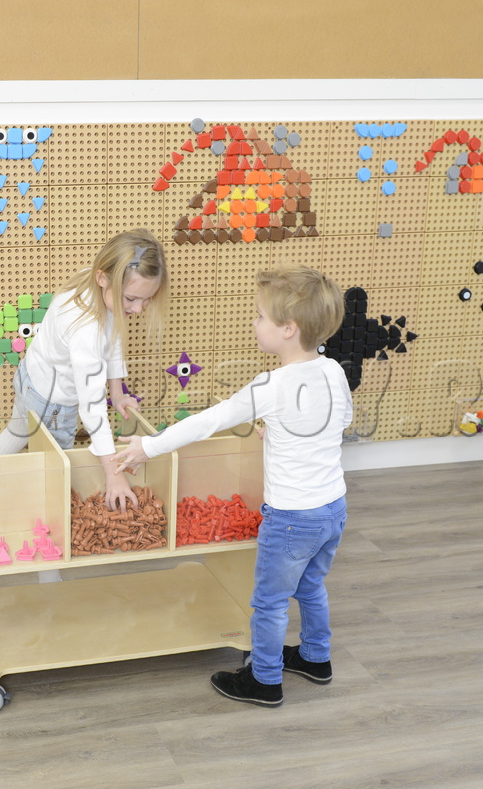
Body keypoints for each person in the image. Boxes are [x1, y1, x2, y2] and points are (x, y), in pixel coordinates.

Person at [115, 266, 350, 707]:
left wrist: (148, 446)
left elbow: (209, 421)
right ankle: (316, 658)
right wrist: (280, 432)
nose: (254, 323)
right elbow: (337, 422)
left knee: (269, 602)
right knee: (311, 586)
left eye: (260, 316)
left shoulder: (271, 385)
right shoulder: (334, 370)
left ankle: (264, 680)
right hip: (333, 508)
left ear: (287, 329)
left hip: (292, 518)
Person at [0, 228, 168, 514]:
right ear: (103, 278)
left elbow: (113, 336)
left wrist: (117, 392)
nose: (138, 309)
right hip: (53, 403)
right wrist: (113, 474)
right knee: (56, 471)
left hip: (30, 379)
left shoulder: (93, 281)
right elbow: (92, 406)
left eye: (146, 299)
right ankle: (33, 516)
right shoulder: (86, 330)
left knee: (17, 430)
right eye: (131, 299)